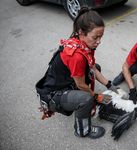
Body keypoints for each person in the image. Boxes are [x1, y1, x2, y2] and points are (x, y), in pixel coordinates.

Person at [35, 7, 118, 139]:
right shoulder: (77, 56)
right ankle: (82, 130)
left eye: (101, 37)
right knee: (86, 99)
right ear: (81, 32)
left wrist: (109, 85)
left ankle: (79, 103)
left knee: (96, 68)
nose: (99, 41)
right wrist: (96, 97)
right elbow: (80, 85)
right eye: (95, 37)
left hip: (66, 82)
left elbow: (93, 68)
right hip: (53, 94)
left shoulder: (84, 44)